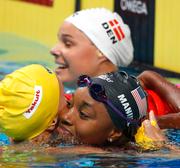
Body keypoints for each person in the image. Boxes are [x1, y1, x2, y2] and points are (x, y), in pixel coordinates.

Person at [50, 7, 180, 128]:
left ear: (101, 52)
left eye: (68, 43)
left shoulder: (159, 96)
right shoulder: (61, 103)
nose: (53, 50)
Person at [0, 64, 165, 151]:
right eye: (70, 104)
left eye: (84, 114)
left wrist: (157, 150)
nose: (65, 117)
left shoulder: (113, 154)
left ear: (114, 133)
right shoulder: (61, 135)